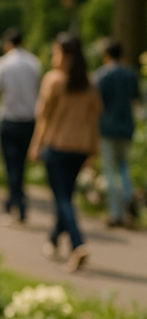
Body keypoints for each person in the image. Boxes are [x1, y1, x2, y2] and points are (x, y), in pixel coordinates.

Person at [28, 33, 102, 271]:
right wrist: (93, 151)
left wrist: (36, 145)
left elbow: (43, 118)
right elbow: (94, 119)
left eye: (57, 52)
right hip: (80, 149)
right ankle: (52, 240)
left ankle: (78, 244)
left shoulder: (53, 80)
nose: (54, 56)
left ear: (66, 55)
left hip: (57, 147)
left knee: (62, 199)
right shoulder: (89, 84)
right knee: (66, 198)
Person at [0, 28, 42, 225]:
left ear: (7, 44)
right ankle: (12, 203)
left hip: (9, 120)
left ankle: (17, 207)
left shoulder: (2, 64)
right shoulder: (34, 63)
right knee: (20, 165)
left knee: (11, 165)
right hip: (30, 121)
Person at [94, 38, 141, 228]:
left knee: (110, 171)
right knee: (123, 167)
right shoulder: (130, 74)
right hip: (126, 127)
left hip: (107, 128)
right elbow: (136, 102)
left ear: (106, 54)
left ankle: (116, 213)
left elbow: (97, 104)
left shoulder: (101, 75)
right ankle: (129, 199)